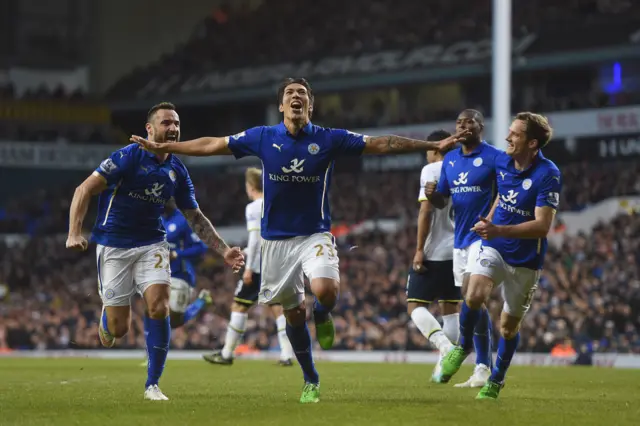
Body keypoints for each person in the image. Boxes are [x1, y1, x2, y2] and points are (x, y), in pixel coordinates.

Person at [131, 78, 467, 404]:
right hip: (276, 242)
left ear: (309, 104)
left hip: (314, 234)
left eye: (302, 93)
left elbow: (381, 142)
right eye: (290, 92)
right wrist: (168, 147)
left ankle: (322, 312)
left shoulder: (330, 138)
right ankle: (310, 379)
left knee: (326, 290)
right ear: (281, 105)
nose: (296, 96)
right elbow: (214, 144)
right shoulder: (263, 137)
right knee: (292, 315)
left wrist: (431, 145)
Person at [66, 102, 244, 401]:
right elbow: (83, 189)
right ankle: (108, 319)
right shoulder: (126, 158)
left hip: (152, 244)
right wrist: (74, 233)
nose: (173, 128)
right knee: (119, 330)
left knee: (159, 306)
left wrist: (223, 250)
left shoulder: (177, 169)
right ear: (150, 128)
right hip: (114, 245)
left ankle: (153, 384)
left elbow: (195, 216)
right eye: (166, 123)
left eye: (176, 123)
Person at [439, 112, 562, 400]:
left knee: (508, 327)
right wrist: (490, 221)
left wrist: (498, 228)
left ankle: (496, 379)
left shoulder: (548, 173)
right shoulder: (503, 161)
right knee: (473, 294)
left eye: (515, 134)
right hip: (494, 245)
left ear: (532, 143)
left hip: (526, 260)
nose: (508, 138)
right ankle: (463, 346)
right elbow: (500, 193)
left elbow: (543, 226)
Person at [424, 109, 500, 387]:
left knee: (472, 296)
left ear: (481, 127)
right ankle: (482, 368)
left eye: (470, 122)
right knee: (473, 304)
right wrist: (434, 196)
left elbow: (505, 192)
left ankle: (467, 349)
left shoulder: (494, 156)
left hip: (485, 237)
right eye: (459, 123)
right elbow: (444, 201)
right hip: (460, 242)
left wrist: (490, 220)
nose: (464, 126)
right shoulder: (451, 159)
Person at [203, 167, 294, 366]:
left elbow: (255, 240)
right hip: (278, 263)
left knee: (239, 305)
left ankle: (227, 354)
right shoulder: (275, 204)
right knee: (278, 307)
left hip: (259, 265)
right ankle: (287, 355)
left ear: (250, 186)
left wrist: (249, 268)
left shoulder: (253, 208)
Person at [407, 129, 458, 381]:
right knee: (450, 308)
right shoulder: (461, 169)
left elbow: (426, 212)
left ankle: (446, 348)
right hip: (458, 249)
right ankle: (442, 368)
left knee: (415, 305)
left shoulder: (433, 170)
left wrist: (419, 250)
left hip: (434, 249)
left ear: (436, 149)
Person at [139, 198, 213, 367]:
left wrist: (177, 254)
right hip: (158, 274)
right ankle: (151, 355)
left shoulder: (184, 220)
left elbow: (200, 248)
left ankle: (201, 300)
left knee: (173, 320)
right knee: (150, 311)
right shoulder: (157, 220)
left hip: (180, 274)